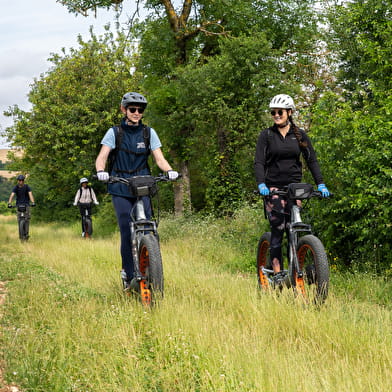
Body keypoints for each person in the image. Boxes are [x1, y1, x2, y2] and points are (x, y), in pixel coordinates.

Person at [95, 92, 179, 289]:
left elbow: (159, 158)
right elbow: (102, 156)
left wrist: (170, 170)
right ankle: (129, 273)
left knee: (149, 227)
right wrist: (101, 171)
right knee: (127, 229)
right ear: (124, 109)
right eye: (132, 109)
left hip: (143, 185)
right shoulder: (114, 132)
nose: (136, 113)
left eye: (140, 110)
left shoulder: (149, 133)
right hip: (120, 185)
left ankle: (152, 267)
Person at [254, 94, 330, 285]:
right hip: (273, 187)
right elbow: (259, 162)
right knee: (279, 226)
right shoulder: (267, 135)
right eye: (273, 112)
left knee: (293, 227)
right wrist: (261, 184)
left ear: (289, 112)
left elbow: (311, 160)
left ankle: (296, 270)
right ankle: (278, 273)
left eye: (280, 112)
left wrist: (320, 183)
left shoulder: (300, 135)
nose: (276, 115)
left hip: (294, 187)